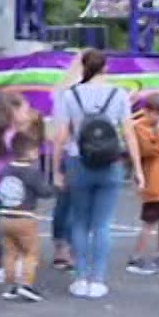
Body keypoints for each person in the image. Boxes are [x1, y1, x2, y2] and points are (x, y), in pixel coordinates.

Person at [51, 49, 142, 300]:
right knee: (102, 224)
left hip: (78, 160)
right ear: (105, 67)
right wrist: (138, 169)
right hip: (110, 162)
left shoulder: (70, 95)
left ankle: (81, 277)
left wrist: (56, 169)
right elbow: (128, 133)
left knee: (80, 221)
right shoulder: (118, 94)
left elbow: (61, 136)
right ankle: (98, 279)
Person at [0, 99, 53, 302]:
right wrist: (54, 187)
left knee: (10, 252)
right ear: (29, 151)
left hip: (5, 215)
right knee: (30, 251)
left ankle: (10, 285)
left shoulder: (6, 169)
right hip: (24, 216)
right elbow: (44, 191)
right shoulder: (31, 171)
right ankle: (26, 284)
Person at [127, 94, 159, 276]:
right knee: (149, 222)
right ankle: (138, 255)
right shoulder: (140, 127)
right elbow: (150, 150)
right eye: (156, 113)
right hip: (153, 182)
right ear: (147, 111)